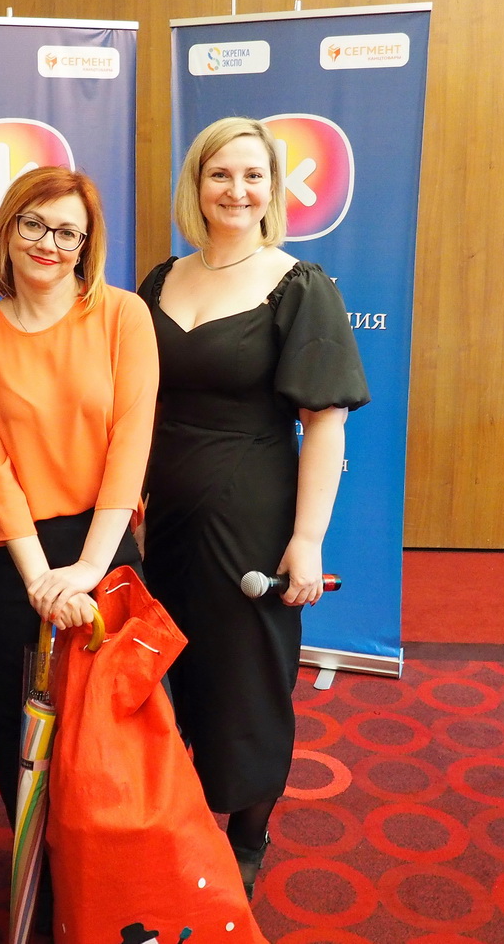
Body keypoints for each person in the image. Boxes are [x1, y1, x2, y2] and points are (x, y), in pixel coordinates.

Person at [138, 116, 369, 899]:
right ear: (196, 185)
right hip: (164, 516)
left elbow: (325, 422)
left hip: (252, 519)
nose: (236, 190)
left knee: (246, 681)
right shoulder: (161, 279)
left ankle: (247, 833)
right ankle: (175, 811)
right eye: (220, 174)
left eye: (253, 175)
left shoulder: (298, 285)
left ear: (273, 189)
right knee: (171, 676)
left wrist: (308, 537)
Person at [0, 165, 158, 833]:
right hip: (17, 559)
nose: (49, 243)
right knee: (19, 724)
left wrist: (89, 569)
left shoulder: (124, 315)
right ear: (8, 230)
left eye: (69, 232)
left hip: (103, 544)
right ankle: (34, 867)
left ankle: (110, 864)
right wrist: (41, 580)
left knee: (114, 722)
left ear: (86, 245)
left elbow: (130, 448)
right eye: (34, 224)